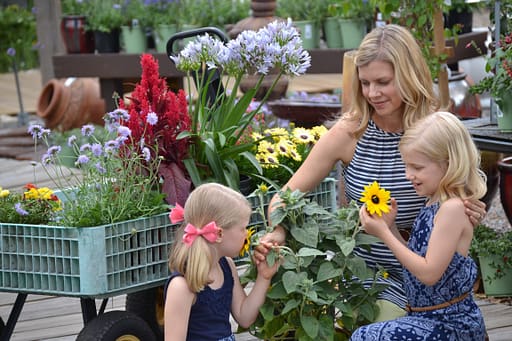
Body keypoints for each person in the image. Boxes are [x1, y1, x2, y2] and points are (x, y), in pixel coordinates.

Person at [254, 24, 486, 321]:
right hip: (364, 278)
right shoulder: (350, 133)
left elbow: (462, 209)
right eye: (365, 83)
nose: (372, 93)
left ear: (408, 75)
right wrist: (278, 230)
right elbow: (286, 195)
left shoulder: (434, 132)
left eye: (383, 82)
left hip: (426, 285)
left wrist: (470, 209)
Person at [351, 111, 487, 339]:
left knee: (366, 337)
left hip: (452, 324)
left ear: (449, 163)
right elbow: (417, 258)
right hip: (427, 317)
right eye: (407, 166)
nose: (408, 175)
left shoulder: (452, 209)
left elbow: (429, 273)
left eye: (417, 167)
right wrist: (391, 226)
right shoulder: (433, 203)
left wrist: (383, 233)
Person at [164, 183, 279, 341]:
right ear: (219, 234)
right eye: (243, 228)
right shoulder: (182, 286)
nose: (247, 234)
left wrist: (264, 277)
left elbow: (244, 316)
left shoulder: (226, 265)